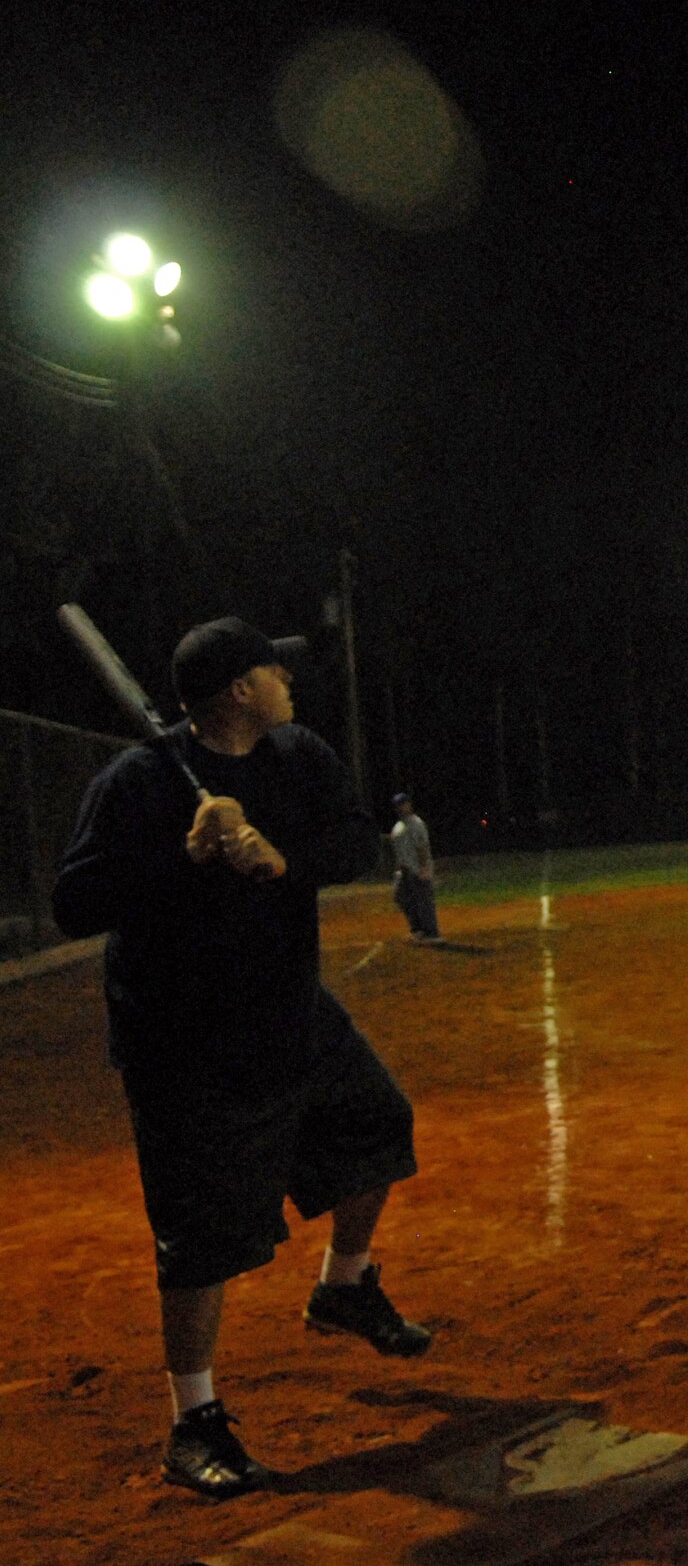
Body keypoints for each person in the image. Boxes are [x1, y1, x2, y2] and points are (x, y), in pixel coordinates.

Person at [52, 617, 431, 1501]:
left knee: (376, 1121)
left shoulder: (298, 756)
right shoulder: (138, 784)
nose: (288, 683)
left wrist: (278, 854)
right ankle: (193, 1419)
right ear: (237, 691)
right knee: (201, 1235)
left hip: (289, 1009)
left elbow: (355, 843)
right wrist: (181, 857)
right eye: (274, 671)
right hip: (182, 1038)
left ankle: (344, 1286)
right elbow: (75, 901)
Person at [389, 792, 440, 941]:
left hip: (418, 868)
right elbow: (399, 849)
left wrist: (424, 868)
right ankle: (417, 929)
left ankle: (431, 932)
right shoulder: (398, 826)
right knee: (402, 898)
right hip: (404, 869)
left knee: (423, 900)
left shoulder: (416, 823)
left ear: (409, 805)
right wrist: (398, 867)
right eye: (398, 805)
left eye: (403, 804)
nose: (400, 808)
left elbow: (422, 847)